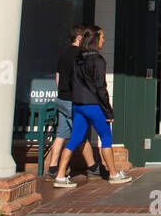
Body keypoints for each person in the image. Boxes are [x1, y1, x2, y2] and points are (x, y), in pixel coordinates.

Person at [54, 25, 130, 187]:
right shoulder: (98, 60)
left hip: (78, 105)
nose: (104, 40)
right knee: (106, 139)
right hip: (94, 105)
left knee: (74, 139)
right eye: (102, 37)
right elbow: (101, 88)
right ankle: (114, 174)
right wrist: (108, 111)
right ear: (95, 39)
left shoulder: (78, 58)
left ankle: (60, 176)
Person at [44, 25, 97, 180]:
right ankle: (92, 167)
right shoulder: (80, 55)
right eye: (85, 37)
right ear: (79, 38)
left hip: (61, 98)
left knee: (61, 134)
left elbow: (58, 75)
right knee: (81, 134)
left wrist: (61, 92)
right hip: (73, 100)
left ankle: (52, 168)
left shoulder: (64, 52)